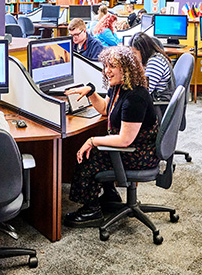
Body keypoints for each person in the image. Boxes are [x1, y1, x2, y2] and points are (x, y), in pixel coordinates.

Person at [63, 47, 160, 227]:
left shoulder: (135, 96)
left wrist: (91, 141)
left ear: (127, 69)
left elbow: (124, 140)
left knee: (88, 157)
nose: (107, 70)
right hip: (134, 146)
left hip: (139, 154)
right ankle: (110, 195)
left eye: (112, 66)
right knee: (95, 147)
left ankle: (91, 210)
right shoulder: (119, 87)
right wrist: (91, 92)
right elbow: (105, 109)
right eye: (106, 66)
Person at [131, 33, 175, 101]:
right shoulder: (149, 60)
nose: (133, 57)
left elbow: (144, 92)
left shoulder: (155, 62)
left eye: (134, 53)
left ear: (143, 51)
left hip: (158, 106)